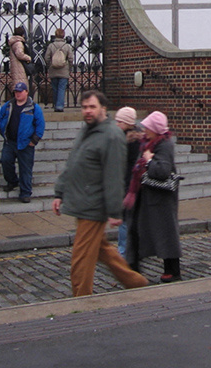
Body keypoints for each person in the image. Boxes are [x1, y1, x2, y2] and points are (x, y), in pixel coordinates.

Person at [52, 90, 149, 296]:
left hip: (94, 205)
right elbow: (73, 163)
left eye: (92, 107)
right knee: (102, 250)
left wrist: (115, 211)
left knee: (80, 258)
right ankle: (135, 282)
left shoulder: (112, 136)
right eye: (84, 107)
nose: (87, 111)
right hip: (81, 201)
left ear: (103, 109)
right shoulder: (86, 130)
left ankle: (81, 299)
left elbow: (114, 175)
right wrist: (59, 192)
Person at [124, 110, 183, 283]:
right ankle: (132, 269)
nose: (144, 130)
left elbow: (163, 171)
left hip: (160, 199)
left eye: (148, 127)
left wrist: (149, 161)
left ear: (155, 129)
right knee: (135, 231)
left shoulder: (164, 145)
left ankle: (172, 271)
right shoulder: (146, 142)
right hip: (144, 196)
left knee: (166, 234)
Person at [0, 80, 45, 202]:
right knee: (5, 161)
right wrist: (2, 129)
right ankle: (12, 181)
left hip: (26, 143)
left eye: (20, 92)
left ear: (26, 92)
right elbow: (1, 117)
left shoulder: (34, 107)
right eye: (16, 92)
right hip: (10, 142)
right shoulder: (8, 105)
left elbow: (40, 125)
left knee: (25, 168)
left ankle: (25, 192)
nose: (18, 94)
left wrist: (34, 140)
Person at [114, 106, 142, 257]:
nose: (117, 124)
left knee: (126, 219)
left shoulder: (132, 141)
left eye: (120, 121)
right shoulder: (126, 137)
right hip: (126, 183)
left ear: (127, 122)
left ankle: (124, 251)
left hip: (129, 184)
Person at [43, 28, 74, 113]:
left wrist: (50, 65)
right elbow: (71, 58)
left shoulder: (51, 46)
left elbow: (46, 58)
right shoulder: (67, 46)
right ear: (63, 35)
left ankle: (55, 104)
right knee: (61, 88)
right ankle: (59, 106)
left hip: (53, 70)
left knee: (55, 88)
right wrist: (69, 67)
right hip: (64, 70)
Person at [7, 25, 33, 92]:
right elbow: (19, 54)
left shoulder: (14, 42)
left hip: (16, 66)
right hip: (19, 67)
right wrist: (28, 58)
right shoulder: (18, 43)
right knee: (21, 85)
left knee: (17, 83)